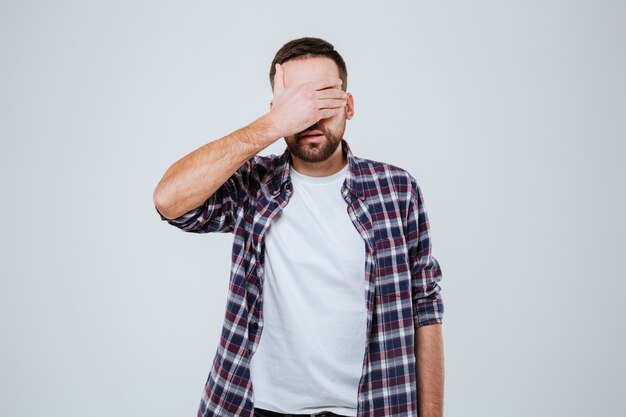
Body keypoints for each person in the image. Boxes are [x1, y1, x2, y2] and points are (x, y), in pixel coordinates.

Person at [154, 37, 444, 417]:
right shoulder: (251, 186)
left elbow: (424, 307)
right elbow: (169, 201)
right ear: (277, 110)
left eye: (324, 98)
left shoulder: (396, 189)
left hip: (373, 406)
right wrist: (272, 125)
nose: (310, 116)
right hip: (256, 408)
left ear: (349, 105)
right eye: (296, 103)